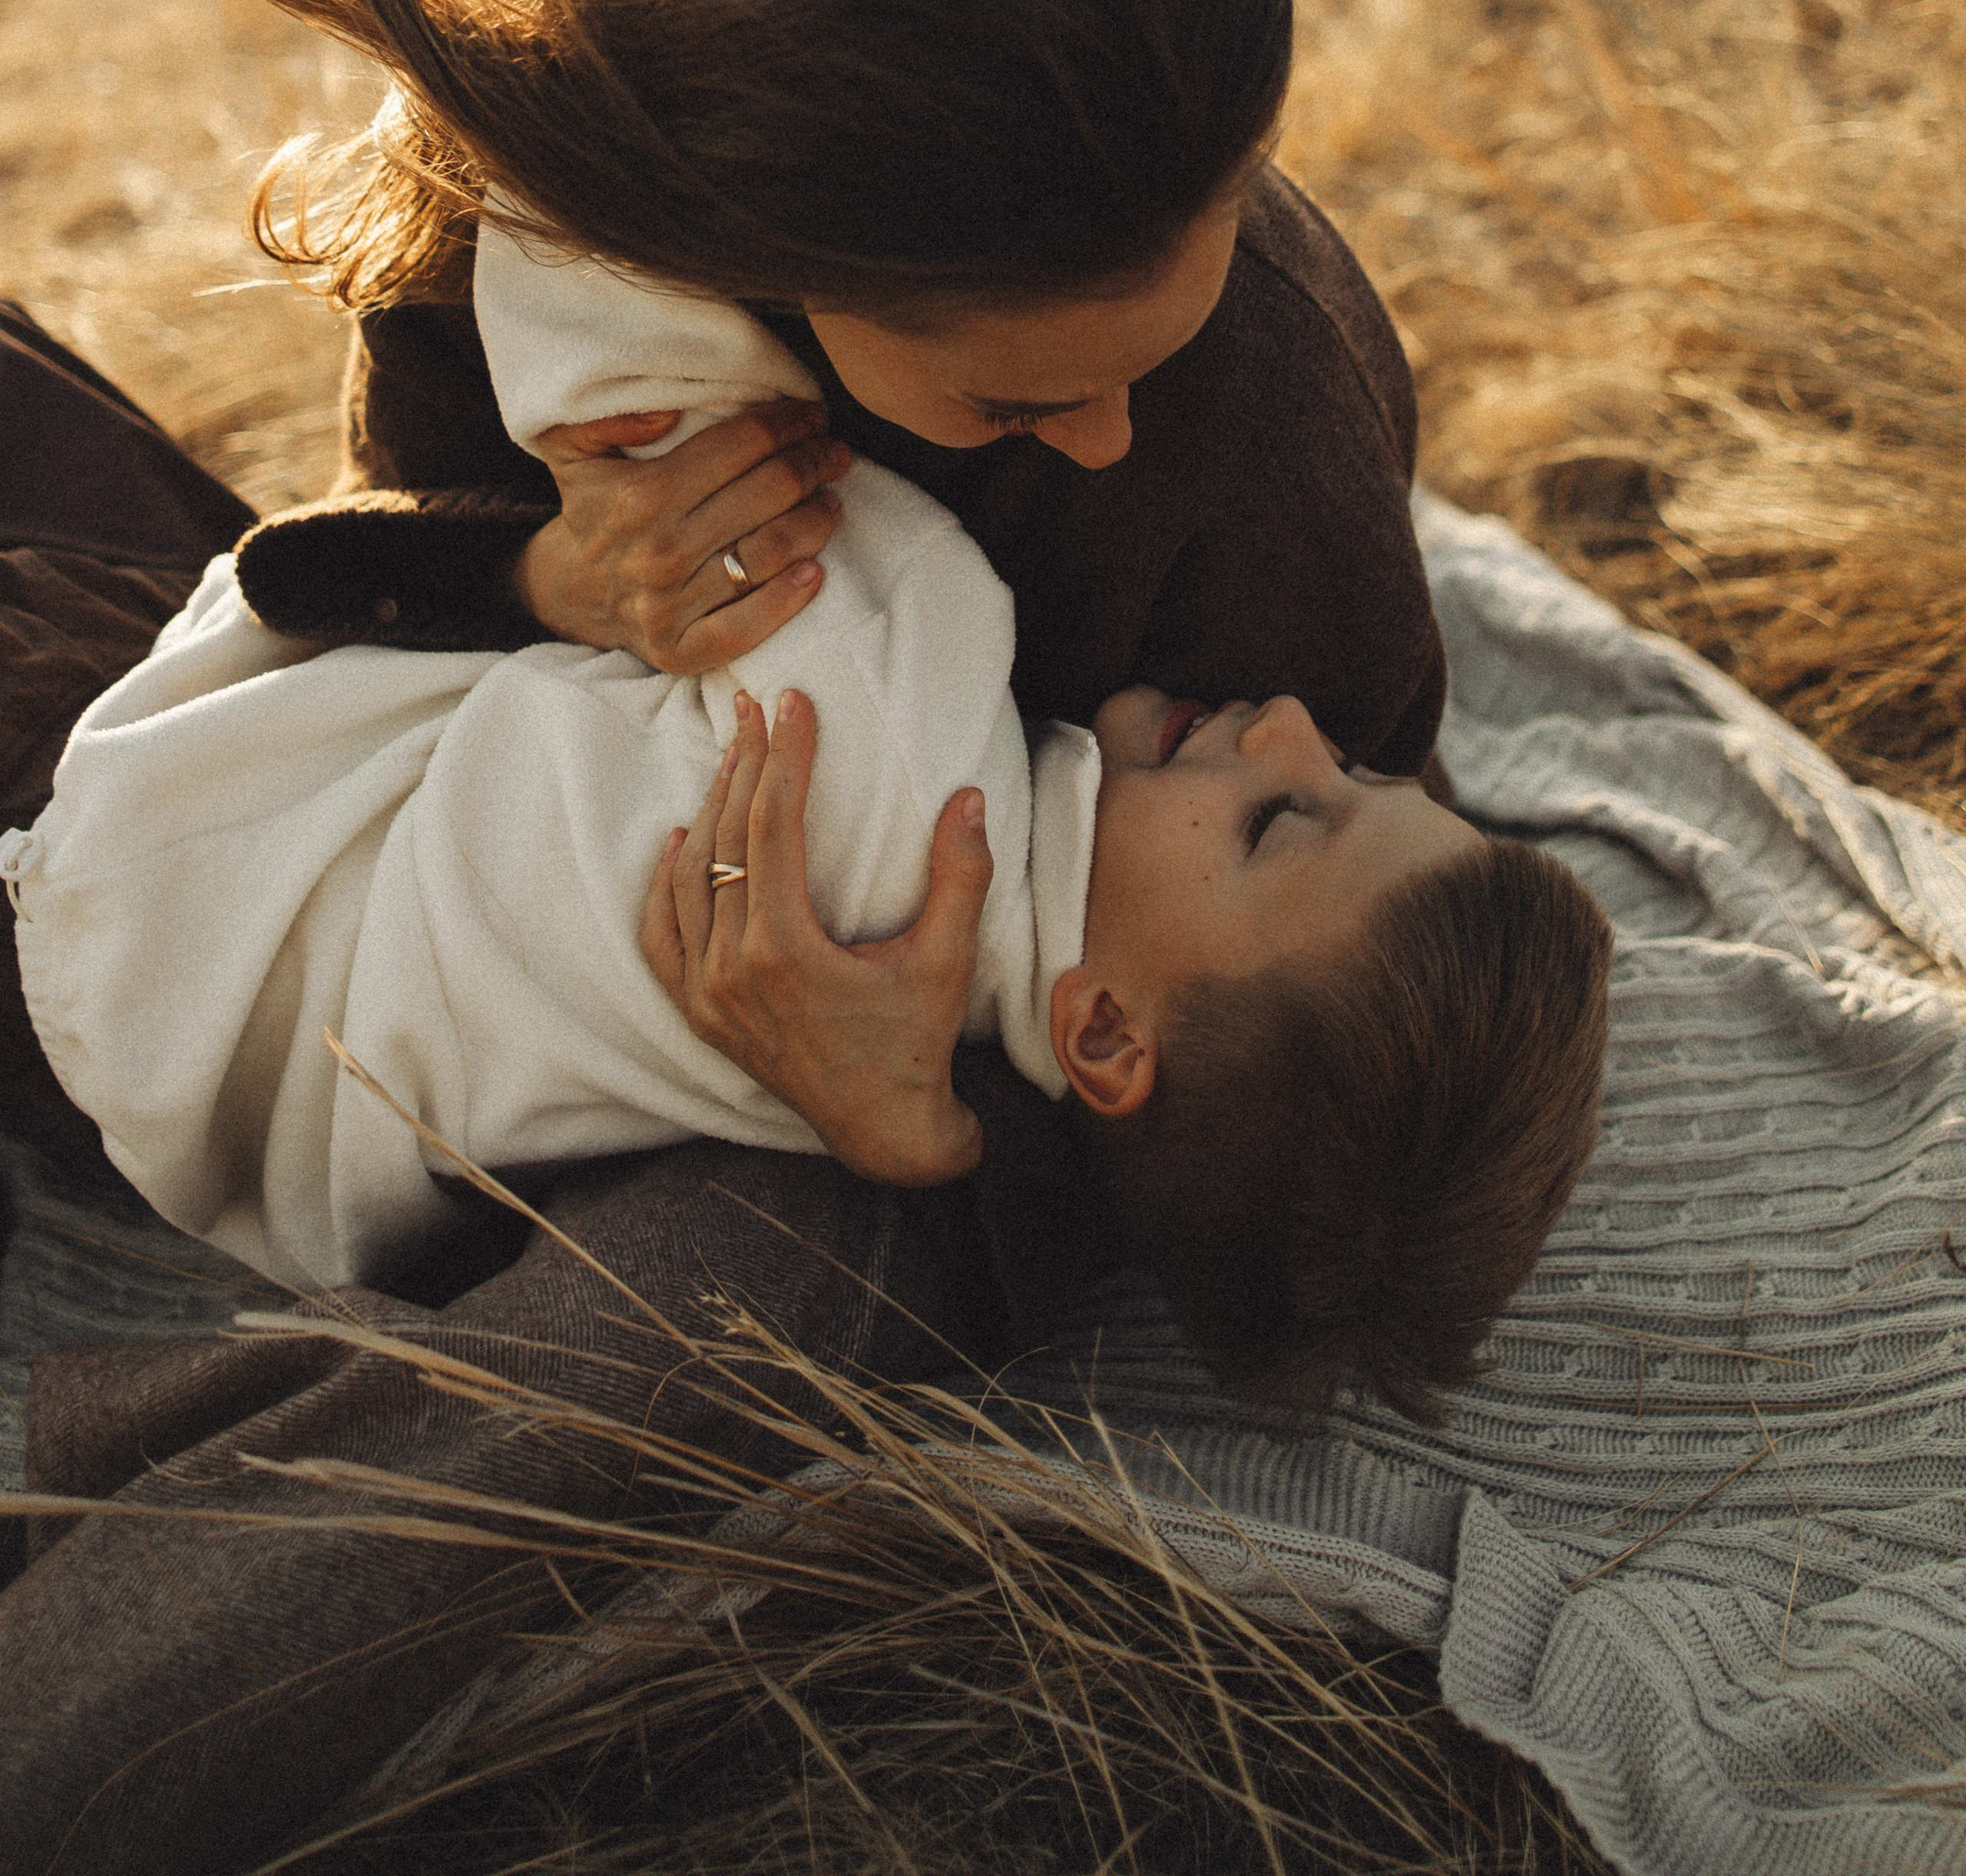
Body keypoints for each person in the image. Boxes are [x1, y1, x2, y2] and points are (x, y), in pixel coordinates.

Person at [0, 0, 1454, 1873]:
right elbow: (376, 624)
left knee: (732, 1295)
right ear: (774, 247)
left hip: (882, 1122)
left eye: (1167, 332)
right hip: (432, 784)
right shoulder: (535, 250)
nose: (1108, 441)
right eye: (1024, 398)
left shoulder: (1254, 456)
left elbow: (1297, 1007)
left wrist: (930, 1124)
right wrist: (545, 576)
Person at [12, 250, 1610, 1415]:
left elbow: (631, 368)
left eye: (1280, 823)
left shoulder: (907, 696)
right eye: (1364, 770)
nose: (1292, 724)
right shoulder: (941, 1064)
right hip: (219, 1130)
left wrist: (620, 139)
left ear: (1108, 1033)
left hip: (168, 856)